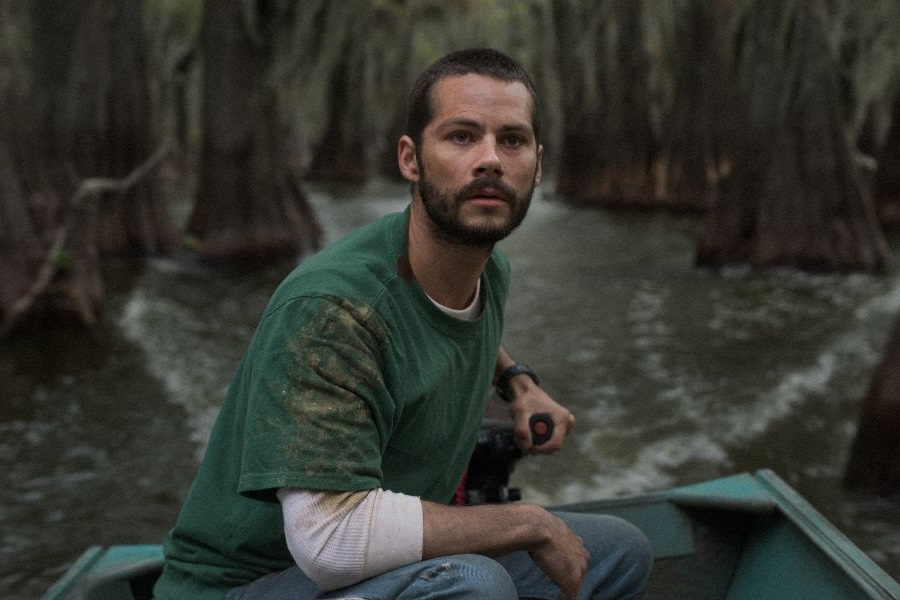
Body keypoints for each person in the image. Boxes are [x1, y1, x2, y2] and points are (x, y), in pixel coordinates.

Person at [153, 48, 652, 600]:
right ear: (410, 159)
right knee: (472, 585)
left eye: (511, 140)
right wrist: (528, 522)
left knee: (618, 550)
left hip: (369, 573)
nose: (489, 159)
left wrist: (518, 383)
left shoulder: (488, 271)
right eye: (462, 136)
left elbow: (446, 323)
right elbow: (331, 541)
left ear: (538, 164)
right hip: (246, 585)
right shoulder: (331, 311)